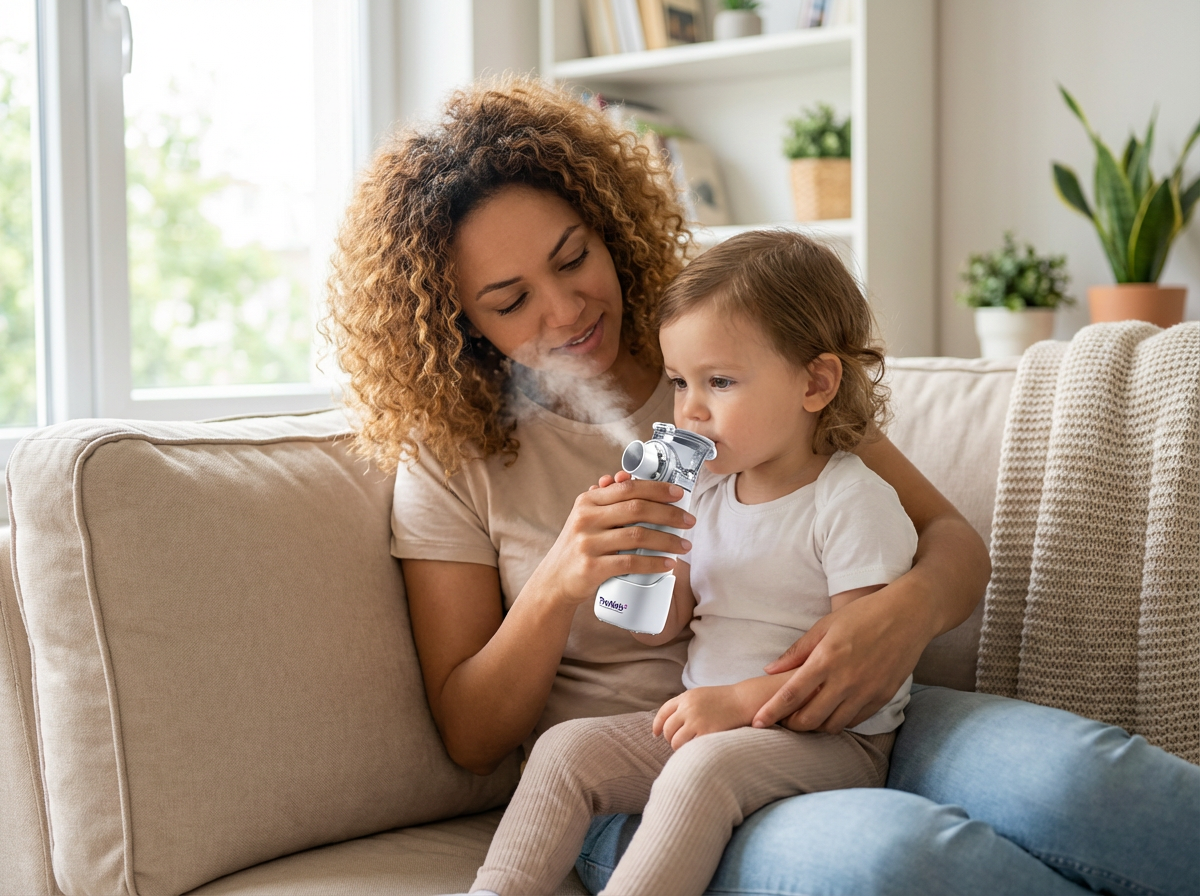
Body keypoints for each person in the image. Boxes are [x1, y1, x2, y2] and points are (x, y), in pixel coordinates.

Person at [324, 77, 1200, 896]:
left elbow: (953, 544)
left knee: (1087, 782)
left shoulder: (724, 355)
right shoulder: (455, 456)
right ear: (458, 323)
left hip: (844, 705)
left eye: (572, 257)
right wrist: (560, 580)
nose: (565, 311)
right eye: (510, 300)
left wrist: (897, 617)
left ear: (605, 226)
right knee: (900, 861)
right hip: (652, 772)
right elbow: (473, 736)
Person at [470, 229, 920, 896]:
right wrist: (641, 547)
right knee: (565, 750)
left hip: (831, 742)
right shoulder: (707, 493)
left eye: (721, 381)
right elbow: (662, 622)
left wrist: (739, 702)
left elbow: (860, 676)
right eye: (681, 382)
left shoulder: (852, 500)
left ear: (816, 382)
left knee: (699, 769)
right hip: (713, 724)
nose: (691, 408)